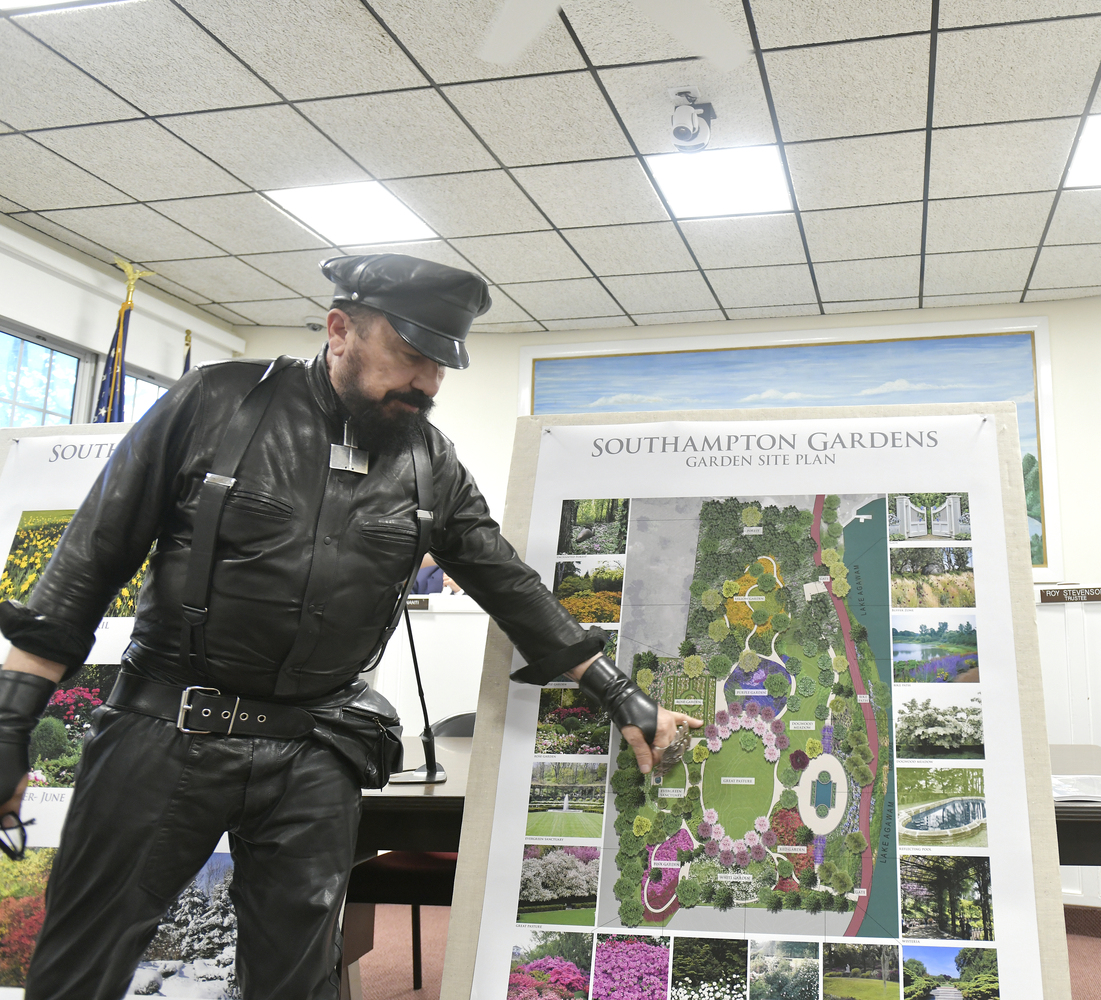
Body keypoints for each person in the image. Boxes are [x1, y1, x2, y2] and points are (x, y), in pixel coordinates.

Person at [0, 254, 699, 999]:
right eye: (412, 356)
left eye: (441, 366)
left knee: (298, 982)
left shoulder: (429, 461)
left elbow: (509, 584)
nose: (428, 383)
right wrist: (11, 725)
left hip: (313, 751)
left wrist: (622, 696)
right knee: (82, 966)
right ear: (340, 330)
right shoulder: (215, 403)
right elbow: (88, 562)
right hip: (166, 734)